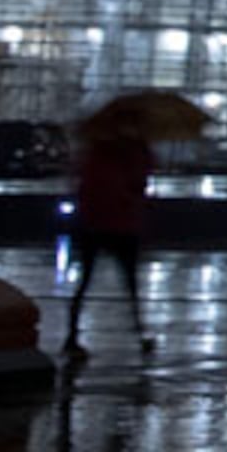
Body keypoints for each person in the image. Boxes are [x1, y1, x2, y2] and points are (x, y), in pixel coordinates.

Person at [64, 112, 154, 365]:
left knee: (86, 283)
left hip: (96, 226)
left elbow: (85, 188)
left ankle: (72, 336)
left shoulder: (97, 155)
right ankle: (140, 333)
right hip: (119, 226)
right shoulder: (120, 157)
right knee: (129, 284)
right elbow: (133, 186)